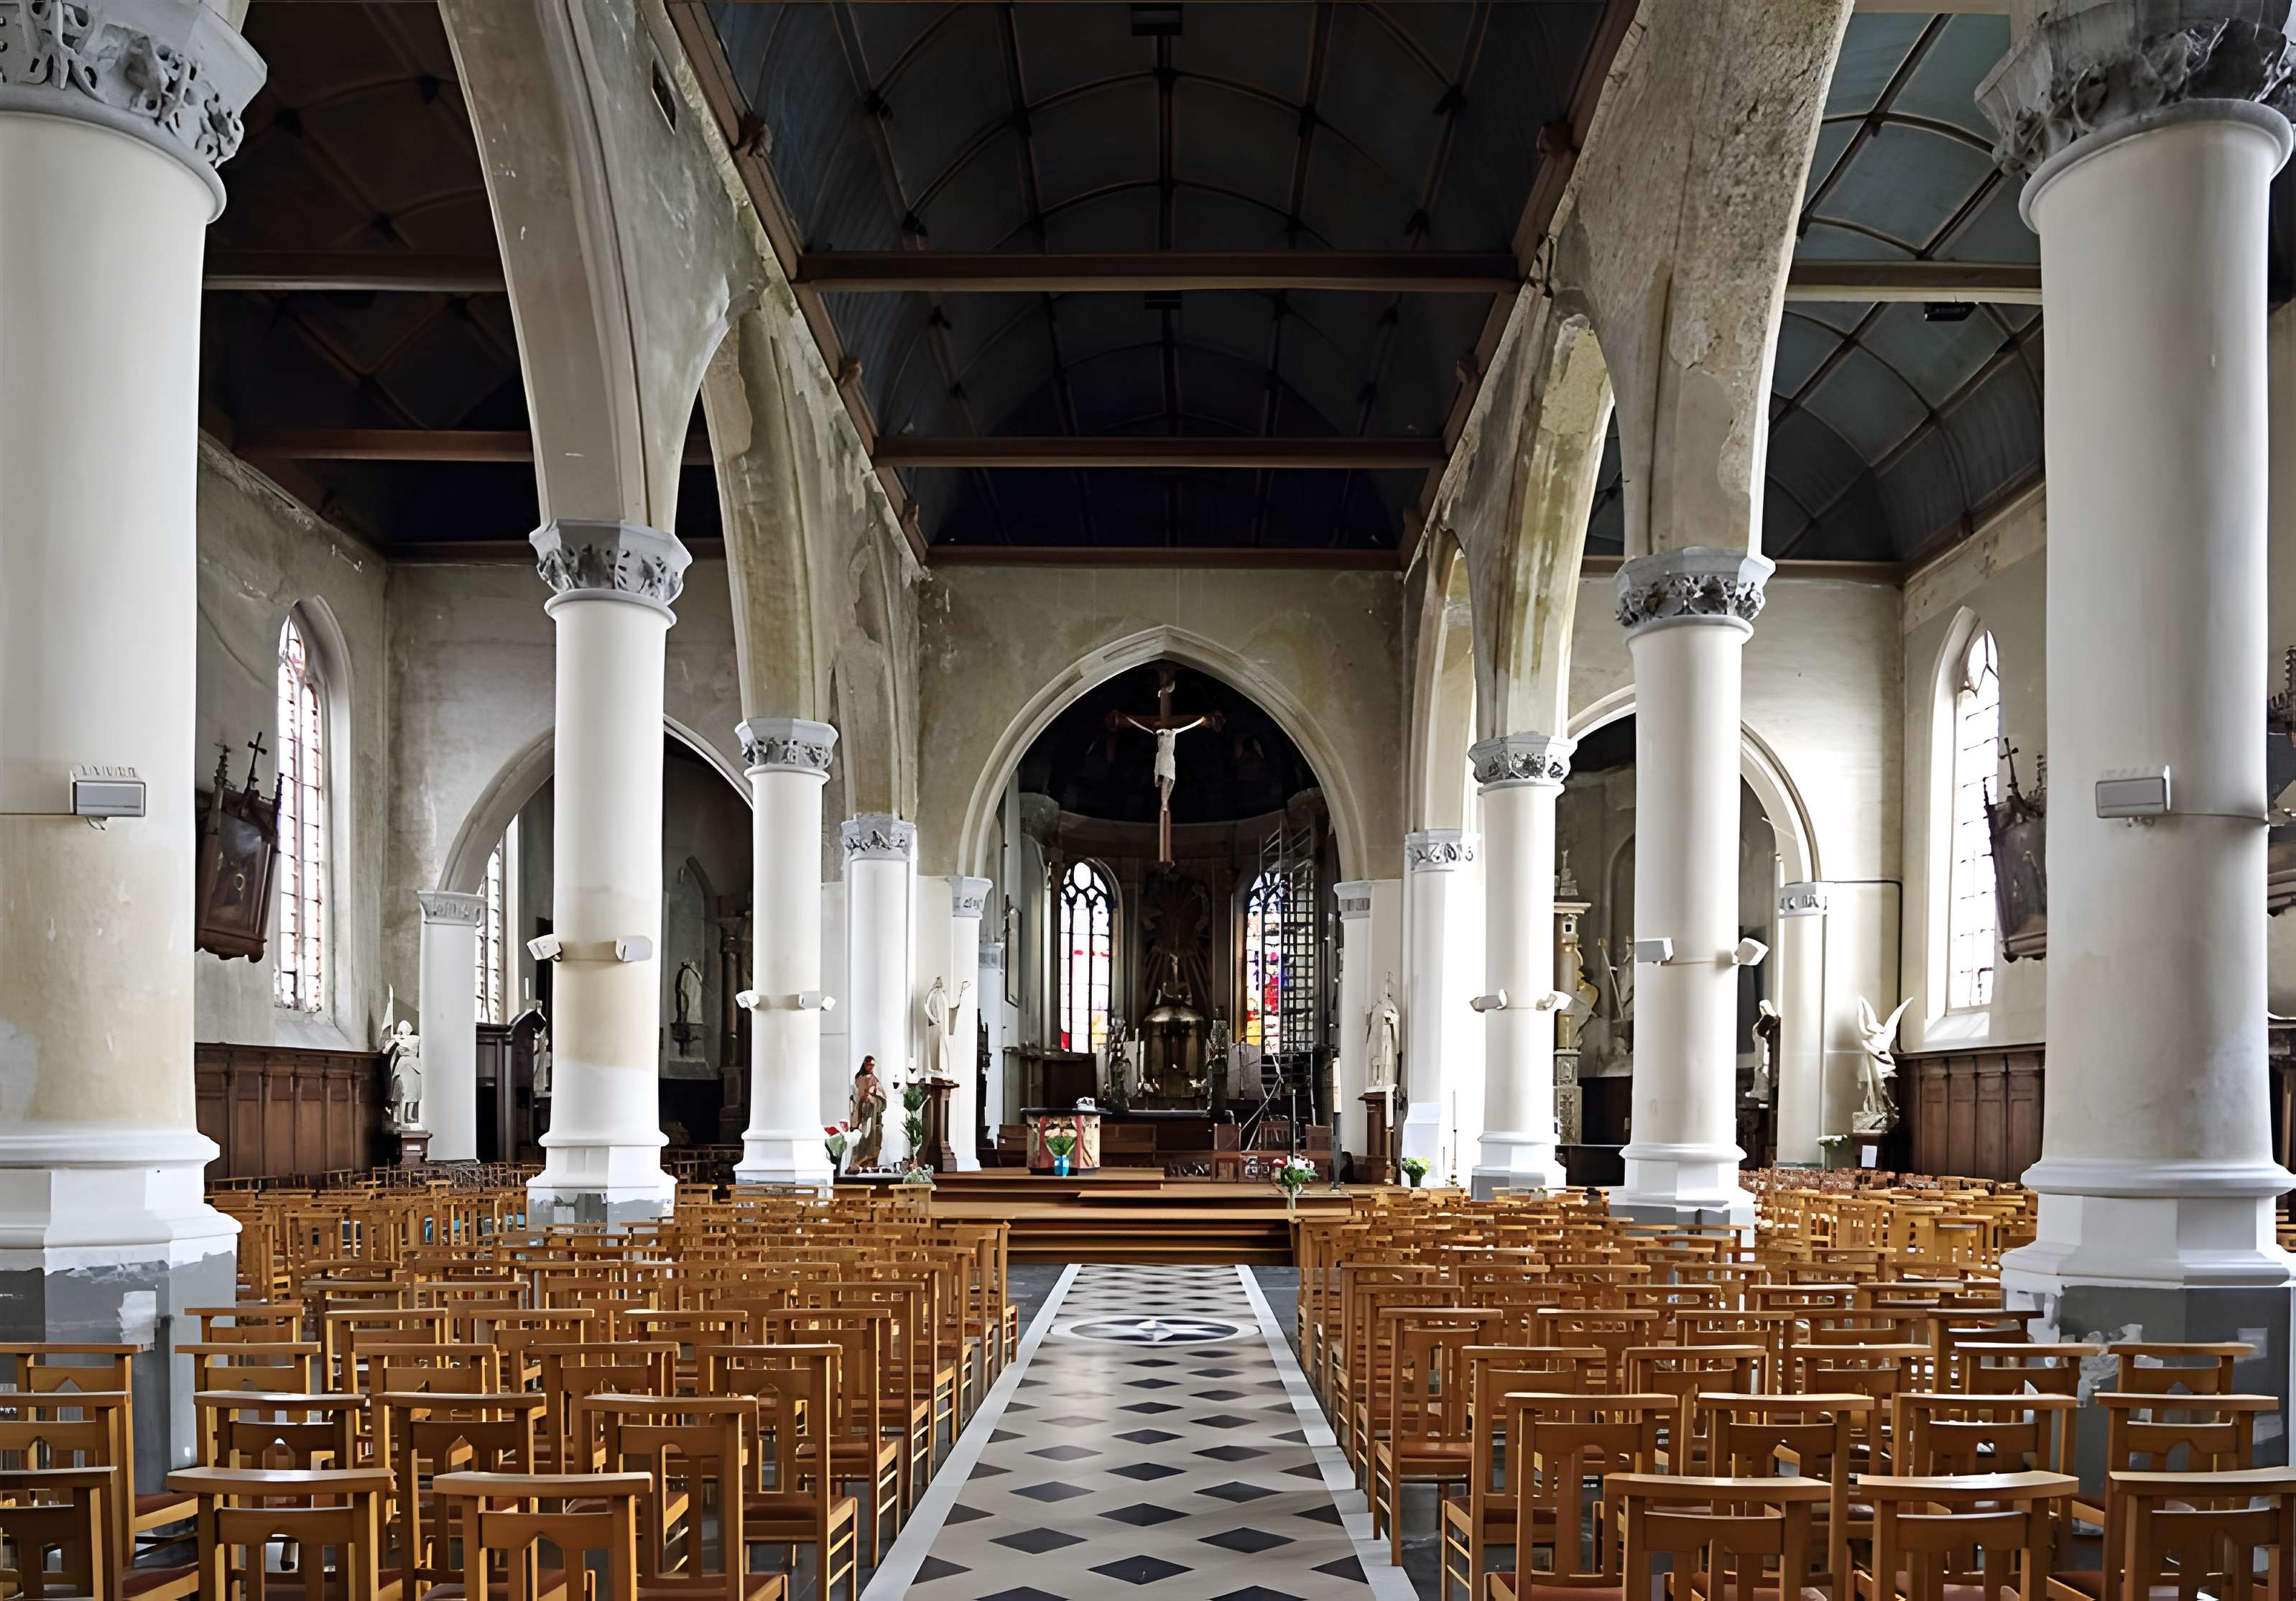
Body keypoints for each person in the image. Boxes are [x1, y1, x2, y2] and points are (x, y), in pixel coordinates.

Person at [850, 1056, 887, 1168]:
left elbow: (883, 1097)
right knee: (862, 1137)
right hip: (861, 1111)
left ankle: (869, 1162)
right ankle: (859, 1162)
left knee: (872, 1137)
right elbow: (856, 1095)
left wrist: (873, 1096)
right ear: (865, 1065)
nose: (871, 1067)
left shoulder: (874, 1080)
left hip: (872, 1112)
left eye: (872, 1065)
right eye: (869, 1065)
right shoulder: (860, 1078)